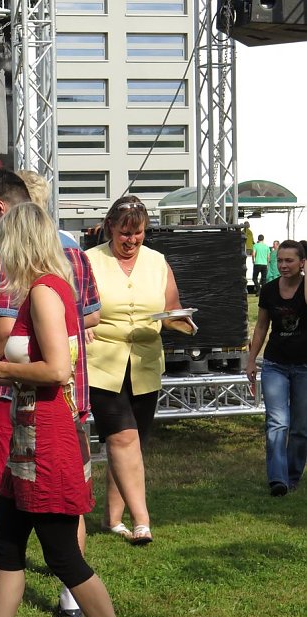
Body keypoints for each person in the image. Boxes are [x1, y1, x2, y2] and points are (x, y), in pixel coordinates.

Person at [0, 203, 124, 617]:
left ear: (18, 244)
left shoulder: (47, 292)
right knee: (7, 546)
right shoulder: (42, 289)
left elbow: (56, 371)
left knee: (64, 557)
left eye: (1, 244)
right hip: (27, 439)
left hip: (47, 441)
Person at [85, 196, 193, 546]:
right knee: (122, 438)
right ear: (109, 228)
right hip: (102, 361)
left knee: (132, 443)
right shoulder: (89, 261)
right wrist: (81, 323)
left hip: (146, 364)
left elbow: (171, 307)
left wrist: (182, 323)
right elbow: (75, 306)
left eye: (139, 234)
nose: (131, 241)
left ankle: (111, 517)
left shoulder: (158, 262)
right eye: (124, 233)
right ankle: (142, 521)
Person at [246, 240, 307, 496]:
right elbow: (261, 327)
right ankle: (278, 479)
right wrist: (251, 359)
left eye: (289, 260)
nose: (283, 265)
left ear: (302, 263)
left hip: (304, 366)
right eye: (280, 260)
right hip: (275, 365)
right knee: (277, 422)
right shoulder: (269, 290)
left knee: (301, 427)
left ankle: (293, 475)